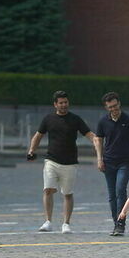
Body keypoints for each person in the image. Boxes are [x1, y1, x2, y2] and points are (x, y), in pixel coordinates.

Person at [28, 90, 99, 234]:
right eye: (61, 103)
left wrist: (97, 142)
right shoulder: (48, 119)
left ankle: (66, 223)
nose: (64, 105)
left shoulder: (75, 119)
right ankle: (48, 221)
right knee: (48, 190)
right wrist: (31, 151)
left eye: (65, 102)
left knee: (67, 193)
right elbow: (38, 136)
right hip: (51, 160)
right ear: (55, 104)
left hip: (70, 163)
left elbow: (90, 135)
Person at [95, 91, 129, 236]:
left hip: (125, 162)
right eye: (110, 107)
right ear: (106, 108)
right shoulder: (103, 121)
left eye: (115, 106)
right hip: (108, 162)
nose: (113, 109)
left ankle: (121, 223)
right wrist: (99, 158)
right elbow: (99, 140)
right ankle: (116, 223)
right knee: (112, 195)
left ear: (119, 104)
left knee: (120, 189)